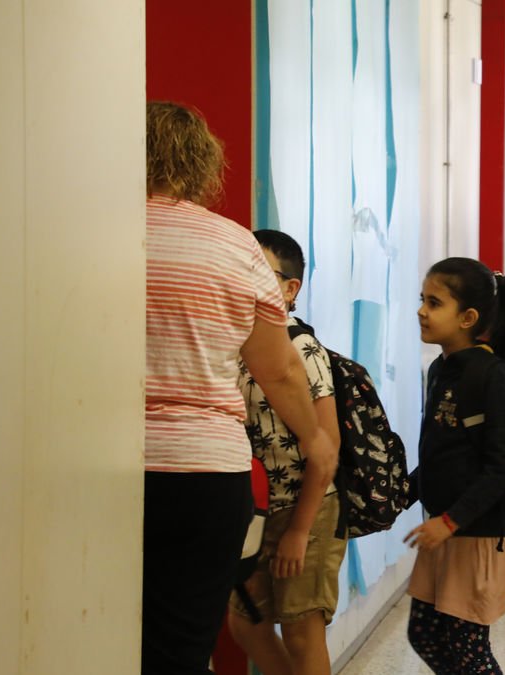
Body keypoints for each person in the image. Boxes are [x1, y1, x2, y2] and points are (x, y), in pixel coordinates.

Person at [144, 101, 335, 675]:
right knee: (182, 642)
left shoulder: (87, 233)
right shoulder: (235, 245)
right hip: (206, 473)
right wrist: (315, 438)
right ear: (203, 164)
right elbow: (276, 370)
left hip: (96, 465)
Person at [227, 230, 346, 675]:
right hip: (256, 510)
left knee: (301, 630)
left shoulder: (302, 349)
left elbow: (326, 444)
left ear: (290, 289)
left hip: (306, 510)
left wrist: (299, 529)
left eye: (260, 272)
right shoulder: (243, 349)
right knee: (247, 623)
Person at [405, 258, 505, 674]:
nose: (422, 310)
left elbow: (504, 463)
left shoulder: (493, 376)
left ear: (468, 318)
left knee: (468, 649)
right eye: (422, 300)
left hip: (477, 532)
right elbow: (442, 454)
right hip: (447, 530)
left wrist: (451, 521)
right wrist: (398, 498)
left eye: (434, 302)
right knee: (424, 634)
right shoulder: (441, 369)